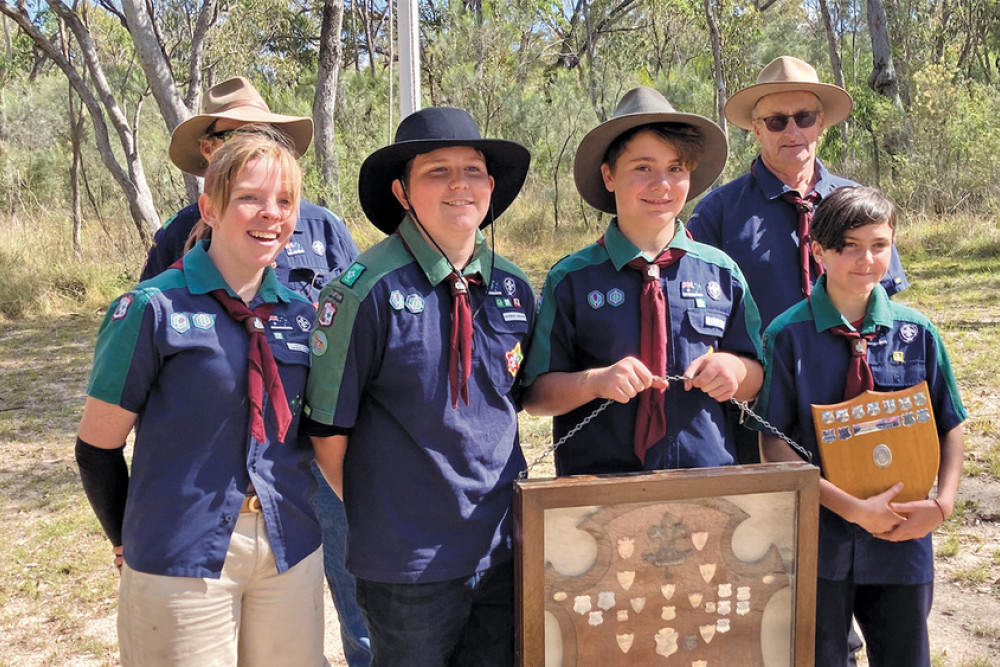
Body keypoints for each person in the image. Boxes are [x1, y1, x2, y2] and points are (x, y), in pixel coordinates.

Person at [139, 76, 370, 664]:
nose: (246, 144)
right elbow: (154, 355)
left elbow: (354, 325)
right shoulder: (178, 235)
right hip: (228, 470)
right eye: (230, 136)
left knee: (353, 587)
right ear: (208, 151)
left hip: (315, 441)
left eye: (260, 134)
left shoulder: (321, 228)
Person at [75, 131, 326, 665]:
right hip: (180, 550)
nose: (270, 215)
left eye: (285, 201)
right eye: (250, 198)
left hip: (289, 545)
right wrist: (127, 540)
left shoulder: (301, 318)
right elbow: (97, 447)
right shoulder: (151, 309)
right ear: (209, 208)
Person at [303, 107, 534, 666]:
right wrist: (390, 518)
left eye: (473, 170)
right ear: (403, 192)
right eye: (437, 171)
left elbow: (521, 394)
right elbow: (328, 432)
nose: (460, 184)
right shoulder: (362, 291)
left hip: (504, 545)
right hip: (408, 562)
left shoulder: (513, 286)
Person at [755, 186, 966, 667]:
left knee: (905, 654)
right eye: (849, 245)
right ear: (817, 250)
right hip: (821, 542)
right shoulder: (786, 336)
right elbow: (774, 443)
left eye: (879, 245)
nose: (866, 259)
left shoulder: (917, 334)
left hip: (903, 537)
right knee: (821, 656)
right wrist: (851, 509)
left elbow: (950, 423)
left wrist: (944, 503)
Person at [520, 86, 763, 476]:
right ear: (609, 176)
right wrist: (594, 382)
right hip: (598, 488)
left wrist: (735, 371)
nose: (661, 184)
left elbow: (756, 376)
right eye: (643, 168)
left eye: (676, 169)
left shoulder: (722, 273)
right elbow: (536, 396)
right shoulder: (571, 279)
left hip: (707, 482)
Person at [687, 55, 910, 466]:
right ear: (756, 129)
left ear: (821, 123)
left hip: (855, 404)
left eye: (804, 117)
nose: (793, 131)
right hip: (758, 412)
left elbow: (888, 306)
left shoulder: (860, 204)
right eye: (776, 121)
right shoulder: (718, 213)